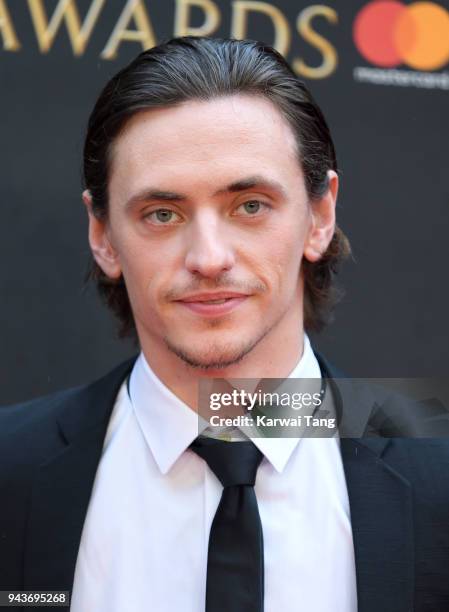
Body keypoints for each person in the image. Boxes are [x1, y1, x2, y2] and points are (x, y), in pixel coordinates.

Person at [1, 36, 448, 612]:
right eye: (162, 214)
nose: (209, 257)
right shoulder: (11, 471)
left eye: (250, 205)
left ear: (320, 215)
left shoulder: (438, 473)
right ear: (102, 236)